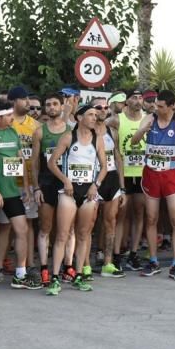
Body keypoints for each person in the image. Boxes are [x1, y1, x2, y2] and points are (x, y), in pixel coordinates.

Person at [0, 99, 40, 292]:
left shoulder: (12, 132)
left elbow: (19, 160)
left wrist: (26, 187)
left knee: (21, 229)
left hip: (12, 191)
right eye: (9, 115)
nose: (13, 118)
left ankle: (20, 274)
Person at [131, 89, 175, 281]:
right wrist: (142, 131)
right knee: (151, 218)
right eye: (155, 105)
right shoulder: (149, 118)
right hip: (151, 174)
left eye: (160, 106)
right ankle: (154, 260)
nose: (156, 108)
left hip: (171, 175)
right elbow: (134, 143)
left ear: (171, 106)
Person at [46, 104, 107, 294]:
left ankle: (78, 275)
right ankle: (55, 277)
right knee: (62, 235)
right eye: (90, 114)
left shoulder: (97, 140)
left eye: (96, 115)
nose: (94, 118)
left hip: (88, 191)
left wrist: (95, 185)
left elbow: (104, 167)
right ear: (79, 117)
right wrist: (65, 181)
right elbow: (51, 162)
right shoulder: (68, 137)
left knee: (83, 235)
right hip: (69, 192)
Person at [31, 93, 70, 287]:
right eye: (48, 105)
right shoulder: (39, 132)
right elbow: (35, 163)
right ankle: (45, 268)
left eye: (55, 104)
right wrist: (36, 187)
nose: (52, 107)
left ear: (62, 106)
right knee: (45, 228)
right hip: (46, 184)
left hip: (67, 184)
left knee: (67, 230)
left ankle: (67, 267)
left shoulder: (72, 130)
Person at [92, 97, 126, 278]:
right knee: (88, 223)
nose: (103, 110)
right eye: (98, 107)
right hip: (93, 179)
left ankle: (108, 263)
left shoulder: (112, 131)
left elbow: (118, 158)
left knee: (110, 221)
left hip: (112, 178)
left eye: (105, 107)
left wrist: (122, 187)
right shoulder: (84, 131)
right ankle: (83, 265)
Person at [115, 89, 147, 271]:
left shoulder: (148, 118)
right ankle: (117, 255)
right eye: (134, 97)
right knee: (121, 216)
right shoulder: (118, 119)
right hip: (124, 175)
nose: (137, 100)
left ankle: (134, 254)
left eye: (140, 97)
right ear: (126, 101)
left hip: (142, 174)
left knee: (139, 214)